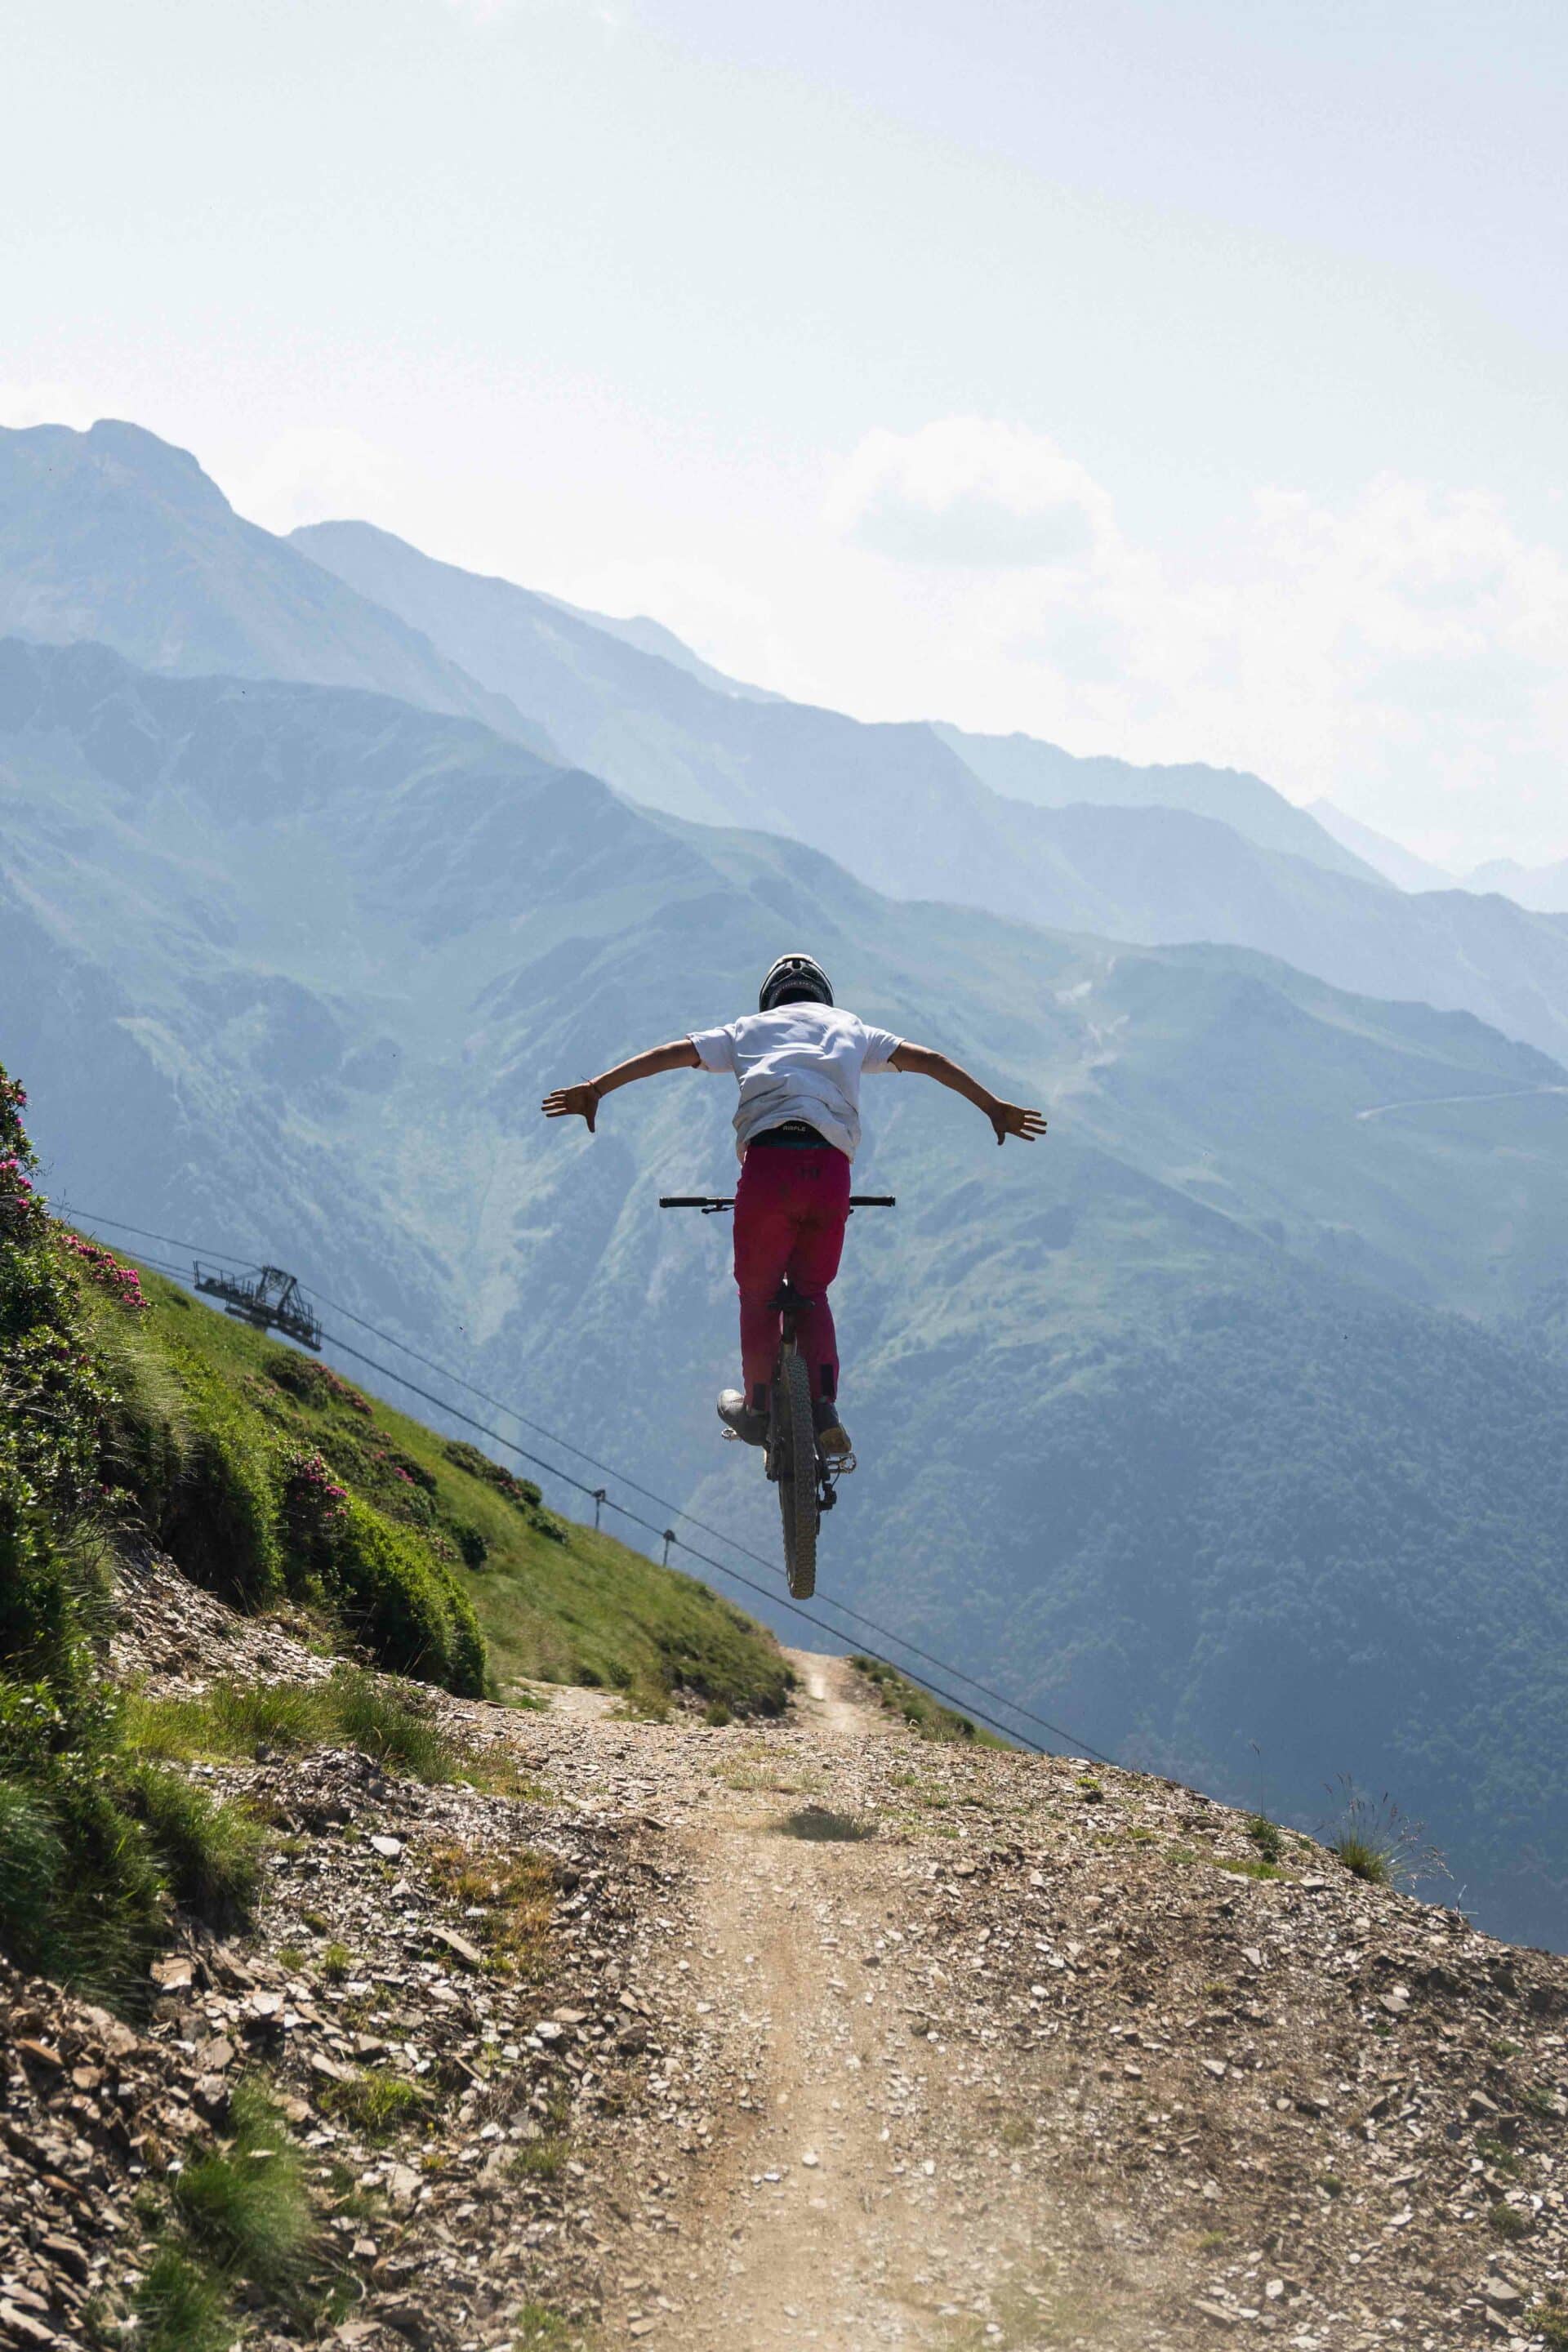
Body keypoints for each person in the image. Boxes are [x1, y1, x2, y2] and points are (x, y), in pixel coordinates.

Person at [541, 952, 1046, 1455]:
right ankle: (823, 1406)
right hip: (830, 1175)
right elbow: (930, 1062)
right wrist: (994, 1108)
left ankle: (758, 1409)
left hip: (768, 1170)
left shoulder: (747, 1030)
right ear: (824, 998)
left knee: (758, 1293)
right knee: (813, 1291)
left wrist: (597, 1088)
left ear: (769, 1001)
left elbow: (674, 1053)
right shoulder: (852, 1029)